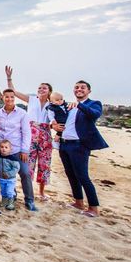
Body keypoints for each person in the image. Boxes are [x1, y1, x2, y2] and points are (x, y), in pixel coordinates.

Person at [52, 80, 108, 217]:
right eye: (76, 87)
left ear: (89, 91)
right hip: (64, 144)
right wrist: (53, 126)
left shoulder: (93, 104)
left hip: (79, 145)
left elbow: (94, 114)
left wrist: (80, 105)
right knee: (70, 174)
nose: (79, 89)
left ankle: (94, 208)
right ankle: (78, 202)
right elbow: (61, 119)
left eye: (83, 87)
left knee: (83, 176)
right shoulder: (69, 106)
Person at [5, 66, 53, 201]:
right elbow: (13, 92)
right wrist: (9, 78)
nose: (41, 90)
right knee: (28, 163)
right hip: (30, 133)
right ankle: (28, 191)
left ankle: (42, 192)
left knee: (44, 164)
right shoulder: (32, 99)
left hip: (46, 136)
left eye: (44, 88)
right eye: (39, 88)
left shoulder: (52, 104)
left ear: (49, 92)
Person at [0, 89, 36, 211]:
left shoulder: (22, 113)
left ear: (14, 98)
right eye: (7, 97)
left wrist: (25, 150)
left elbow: (26, 133)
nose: (9, 99)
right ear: (3, 98)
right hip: (2, 150)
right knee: (6, 175)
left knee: (25, 173)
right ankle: (12, 196)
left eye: (12, 97)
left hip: (17, 149)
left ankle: (29, 200)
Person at [0, 140, 21, 210]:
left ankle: (11, 203)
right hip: (1, 178)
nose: (4, 149)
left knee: (9, 191)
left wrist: (8, 174)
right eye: (2, 147)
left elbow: (16, 168)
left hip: (10, 179)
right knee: (3, 190)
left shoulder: (12, 159)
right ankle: (4, 201)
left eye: (6, 147)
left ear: (10, 149)